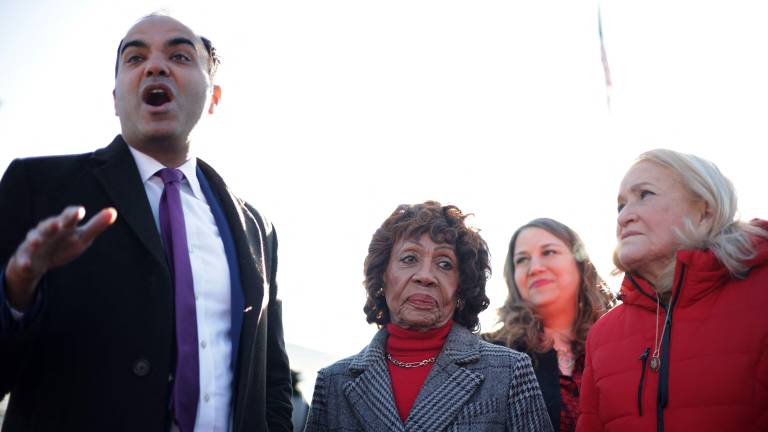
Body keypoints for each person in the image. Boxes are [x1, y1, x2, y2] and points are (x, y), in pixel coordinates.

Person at [0, 14, 292, 431]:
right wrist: (15, 292)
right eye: (135, 58)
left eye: (179, 55)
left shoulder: (257, 229)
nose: (156, 66)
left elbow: (271, 382)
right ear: (116, 95)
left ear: (214, 98)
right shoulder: (38, 189)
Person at [305, 201, 553, 431]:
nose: (425, 276)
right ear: (382, 276)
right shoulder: (333, 381)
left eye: (444, 264)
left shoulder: (510, 371)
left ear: (462, 286)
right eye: (409, 258)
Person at [576, 149, 768, 431]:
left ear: (705, 210)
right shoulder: (603, 334)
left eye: (645, 195)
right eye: (620, 206)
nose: (624, 216)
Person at [484, 218, 615, 431]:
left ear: (579, 263)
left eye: (548, 252)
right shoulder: (491, 355)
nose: (535, 268)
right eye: (522, 260)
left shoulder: (617, 345)